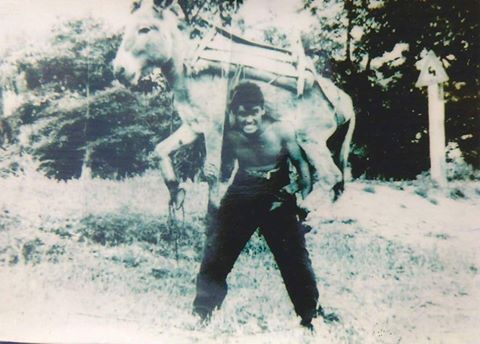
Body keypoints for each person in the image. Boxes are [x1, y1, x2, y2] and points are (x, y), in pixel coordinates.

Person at [193, 81, 320, 329]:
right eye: (242, 112)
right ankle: (202, 312)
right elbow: (215, 160)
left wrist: (298, 194)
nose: (248, 119)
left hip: (277, 191)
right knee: (217, 251)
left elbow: (303, 166)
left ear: (262, 110)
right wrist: (209, 169)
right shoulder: (226, 132)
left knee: (293, 257)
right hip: (243, 188)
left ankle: (309, 316)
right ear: (234, 112)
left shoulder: (281, 130)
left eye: (253, 111)